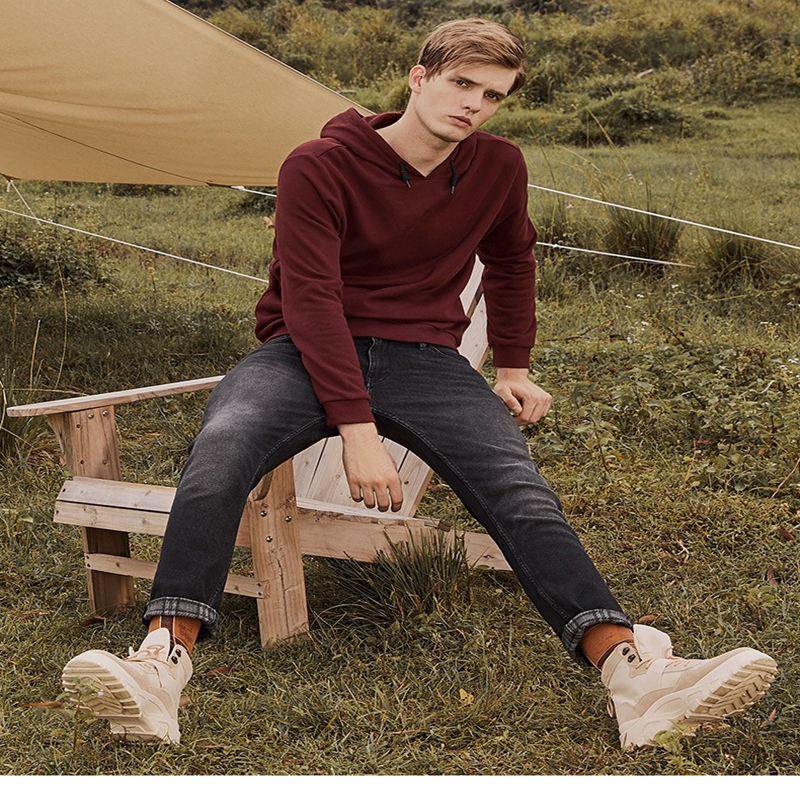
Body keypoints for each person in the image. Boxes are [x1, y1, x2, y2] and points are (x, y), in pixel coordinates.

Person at [61, 18, 777, 751]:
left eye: (492, 95)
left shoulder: (498, 167)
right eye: (462, 83)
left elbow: (512, 261)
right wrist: (357, 430)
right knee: (222, 450)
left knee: (517, 488)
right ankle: (160, 666)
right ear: (419, 77)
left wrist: (514, 366)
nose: (473, 105)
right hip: (302, 351)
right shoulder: (318, 165)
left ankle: (633, 675)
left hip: (427, 360)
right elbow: (311, 298)